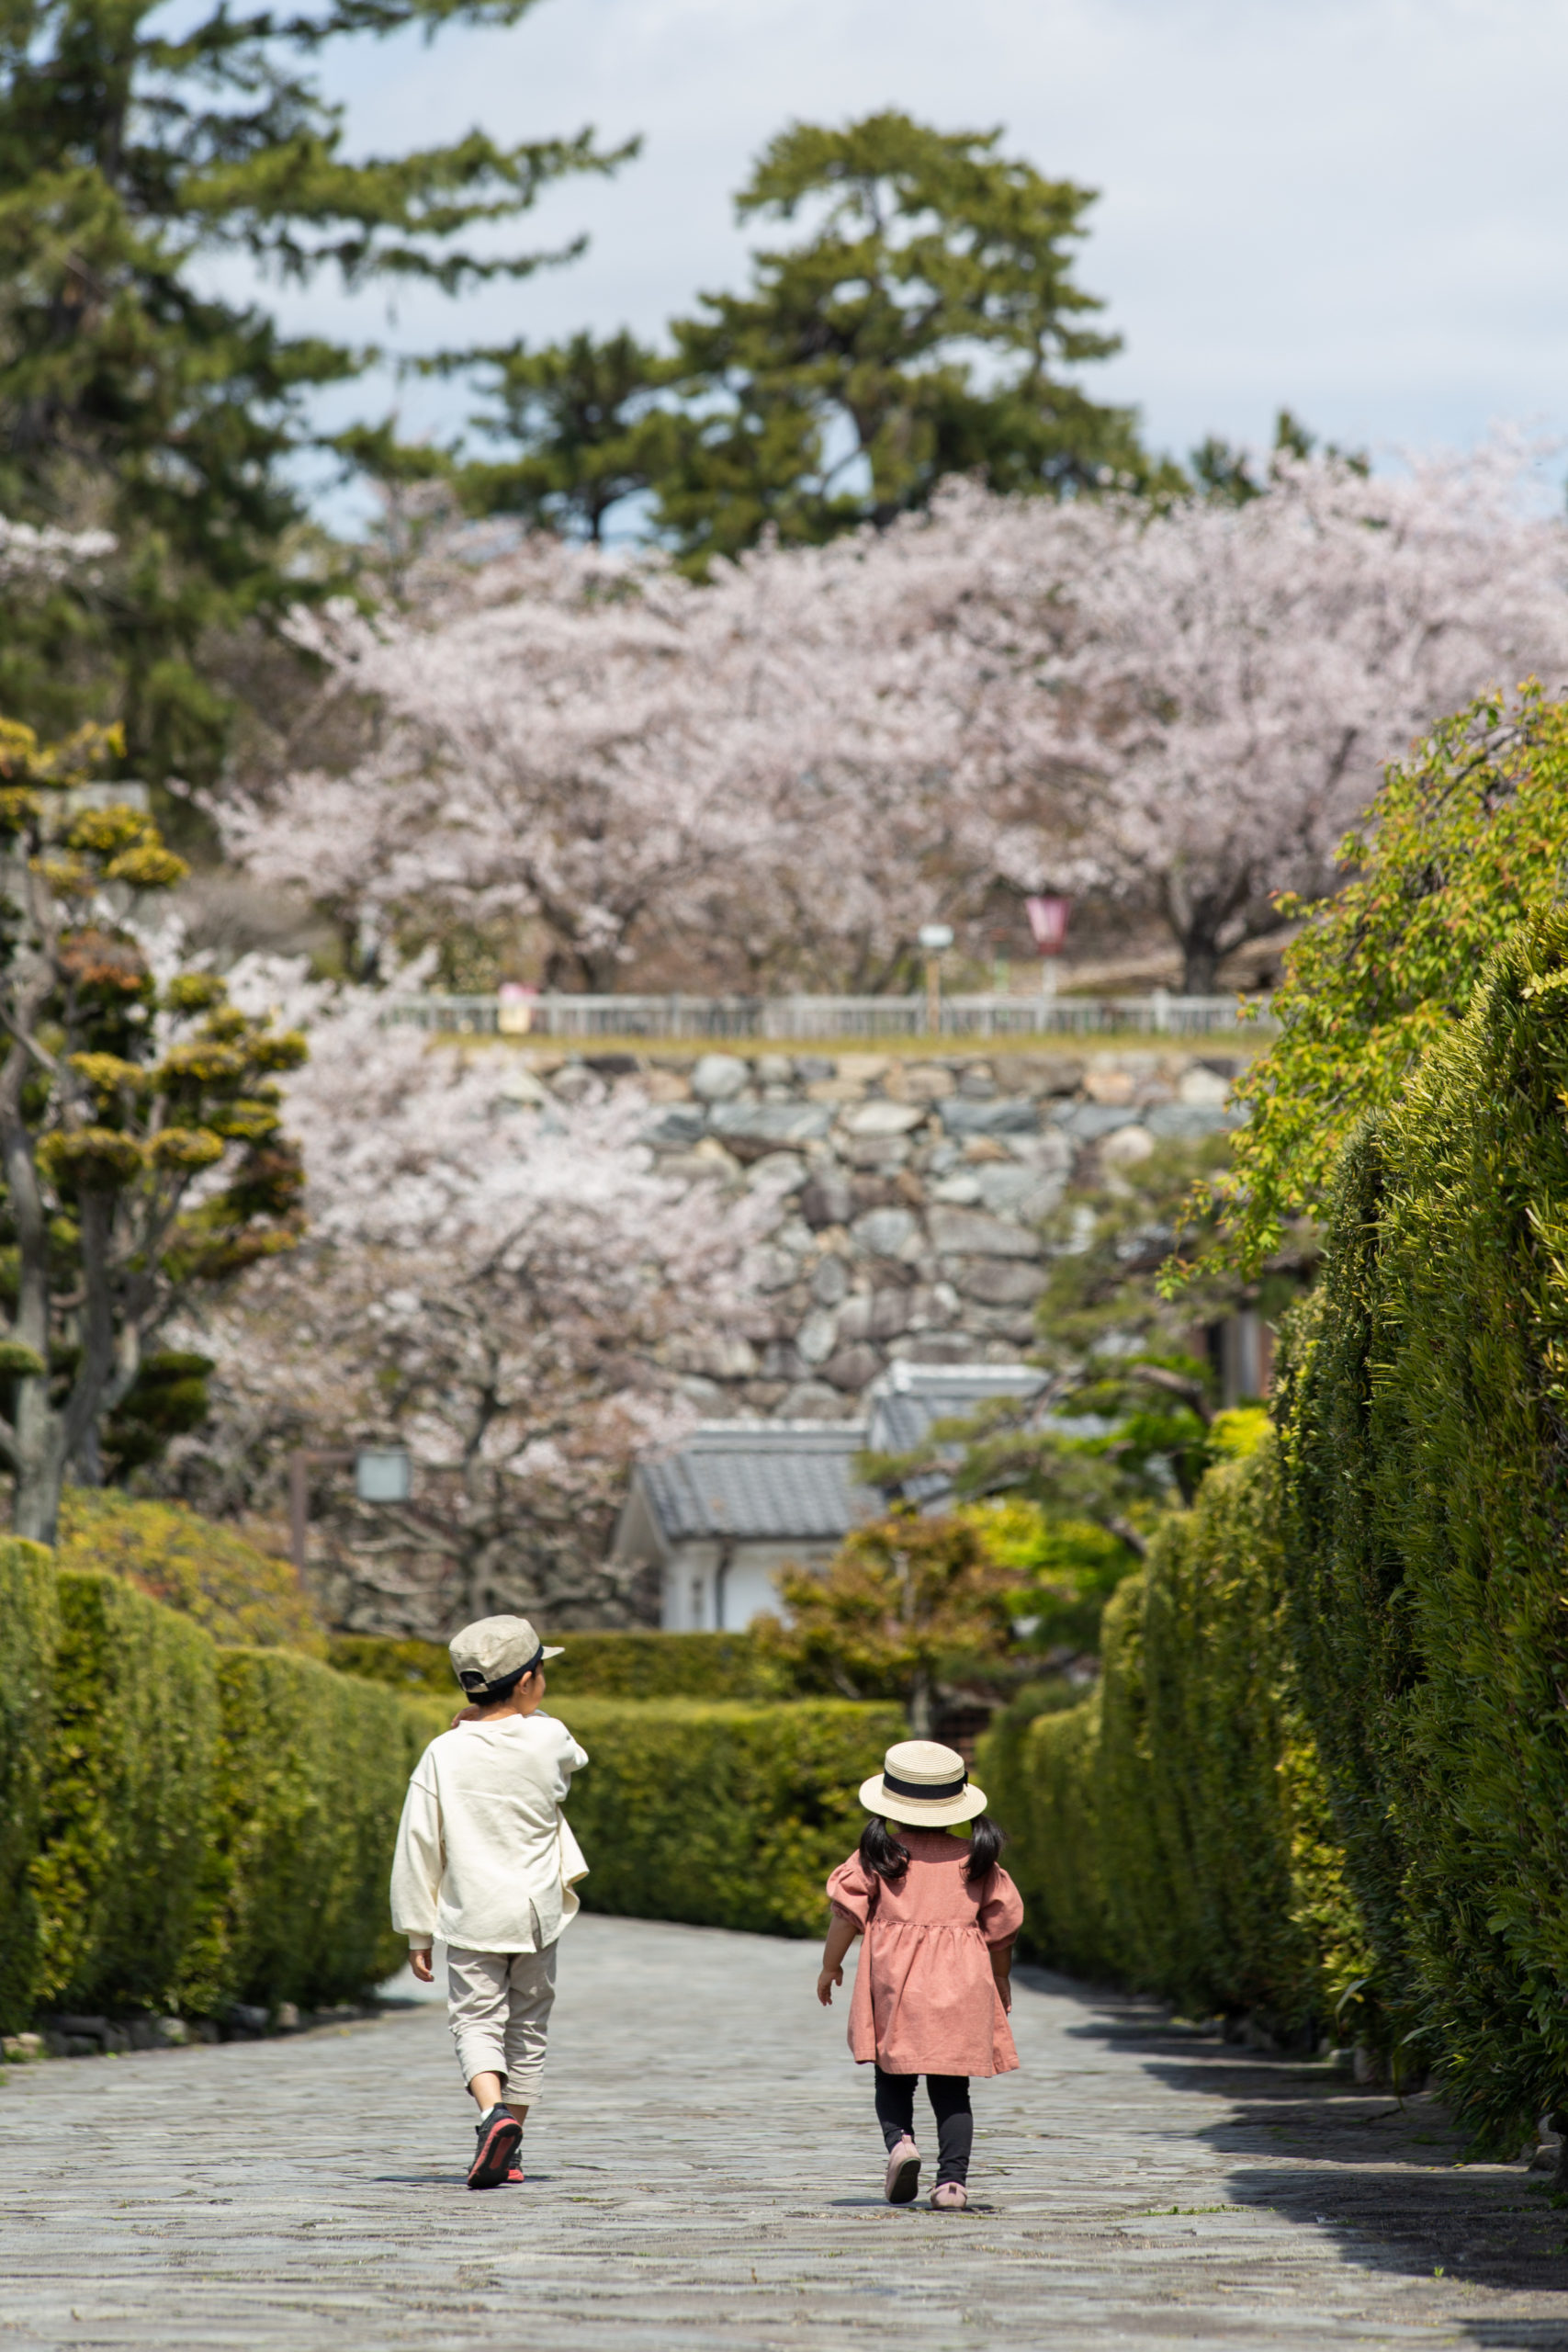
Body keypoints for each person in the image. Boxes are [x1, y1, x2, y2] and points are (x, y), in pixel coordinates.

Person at [390, 1613, 589, 2190]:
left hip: (472, 1915)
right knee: (528, 2025)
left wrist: (417, 1931)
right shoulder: (549, 1737)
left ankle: (491, 2114)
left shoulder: (442, 1753)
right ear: (526, 1682)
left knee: (476, 2022)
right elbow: (574, 1755)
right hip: (536, 1915)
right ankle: (511, 2144)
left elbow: (418, 1844)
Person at [818, 1738, 1023, 2211]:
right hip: (962, 1985)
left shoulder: (876, 1857)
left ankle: (901, 2145)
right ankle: (952, 2185)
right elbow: (1001, 1931)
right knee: (952, 2089)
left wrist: (831, 1966)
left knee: (893, 2076)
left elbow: (845, 1917)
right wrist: (1001, 1979)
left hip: (896, 1985)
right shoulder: (978, 1861)